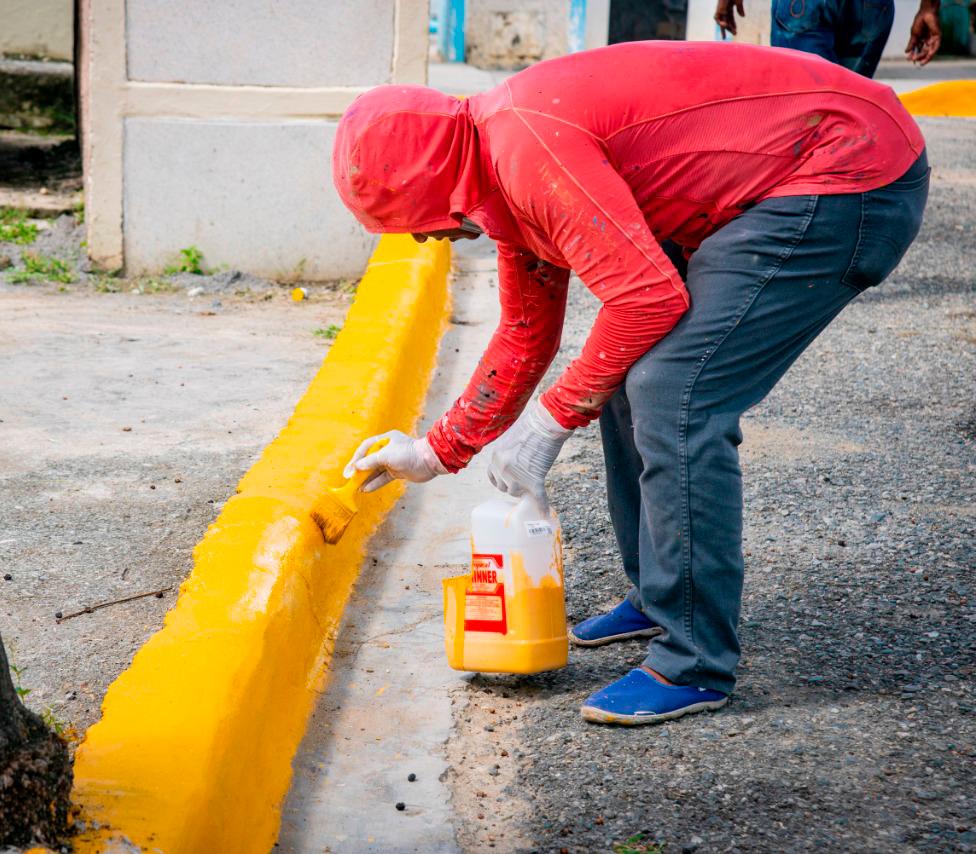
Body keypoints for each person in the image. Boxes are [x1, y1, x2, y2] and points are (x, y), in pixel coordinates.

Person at [333, 41, 928, 725]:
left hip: (848, 170)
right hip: (793, 170)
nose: (423, 240)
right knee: (623, 372)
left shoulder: (526, 149)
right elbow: (527, 333)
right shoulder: (497, 166)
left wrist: (547, 424)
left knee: (675, 392)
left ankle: (694, 663)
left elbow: (648, 301)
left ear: (431, 186)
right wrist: (433, 452)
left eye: (415, 224)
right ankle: (658, 596)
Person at [714, 0, 943, 76]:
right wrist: (929, 7)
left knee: (807, 109)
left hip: (805, 7)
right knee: (848, 110)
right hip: (870, 9)